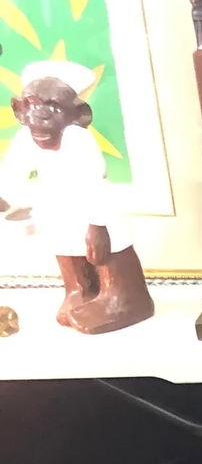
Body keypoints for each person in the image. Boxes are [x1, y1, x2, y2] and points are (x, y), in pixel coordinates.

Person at [0, 60, 154, 334]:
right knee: (64, 246)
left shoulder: (78, 140)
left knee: (108, 253)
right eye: (32, 107)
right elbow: (13, 171)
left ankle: (121, 299)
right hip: (55, 210)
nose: (41, 117)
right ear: (20, 110)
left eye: (53, 108)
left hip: (94, 212)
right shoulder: (25, 139)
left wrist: (97, 226)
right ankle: (79, 291)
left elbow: (95, 184)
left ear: (79, 114)